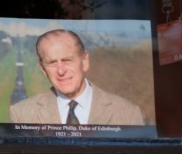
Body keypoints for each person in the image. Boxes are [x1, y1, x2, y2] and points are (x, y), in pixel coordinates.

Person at [9, 29, 145, 126]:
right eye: (52, 63)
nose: (61, 71)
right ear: (43, 69)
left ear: (84, 61)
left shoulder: (128, 114)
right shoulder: (21, 114)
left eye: (67, 60)